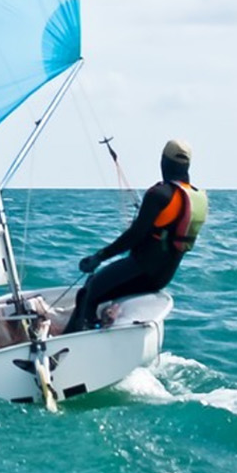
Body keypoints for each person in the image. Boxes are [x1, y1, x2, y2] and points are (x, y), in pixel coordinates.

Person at [64, 138, 207, 334]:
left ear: (163, 162)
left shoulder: (159, 194)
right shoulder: (197, 198)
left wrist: (99, 256)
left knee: (89, 291)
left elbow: (135, 235)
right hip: (163, 277)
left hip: (141, 270)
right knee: (97, 285)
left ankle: (74, 338)